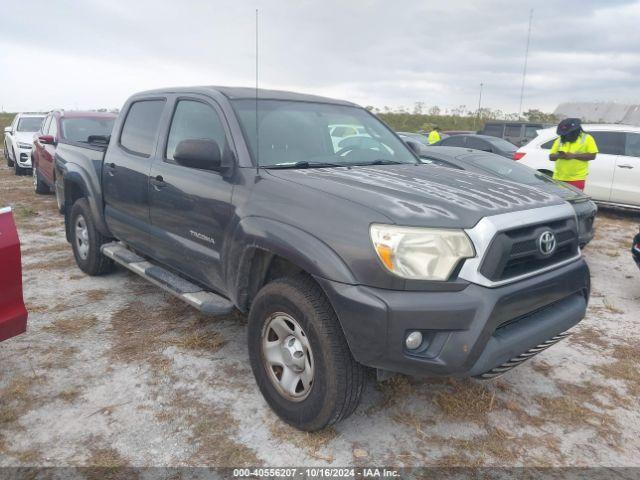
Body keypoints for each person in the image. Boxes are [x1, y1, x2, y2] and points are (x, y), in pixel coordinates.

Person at [549, 118, 598, 191]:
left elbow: (592, 156)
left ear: (575, 130)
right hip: (558, 178)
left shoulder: (587, 138)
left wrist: (574, 156)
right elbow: (551, 157)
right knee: (559, 201)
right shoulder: (560, 139)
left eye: (568, 132)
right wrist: (560, 156)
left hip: (577, 179)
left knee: (574, 201)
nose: (565, 135)